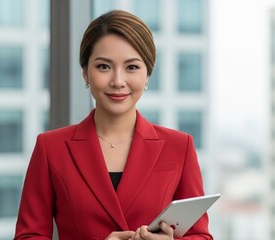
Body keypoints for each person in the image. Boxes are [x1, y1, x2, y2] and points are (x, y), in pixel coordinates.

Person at [14, 10, 213, 240]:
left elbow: (201, 236)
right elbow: (28, 237)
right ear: (85, 73)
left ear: (147, 75)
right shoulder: (50, 148)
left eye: (132, 67)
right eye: (103, 67)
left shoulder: (180, 146)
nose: (118, 81)